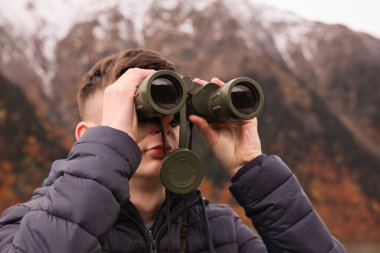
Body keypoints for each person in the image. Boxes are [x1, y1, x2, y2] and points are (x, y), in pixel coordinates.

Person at [0, 48, 346, 253]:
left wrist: (254, 169)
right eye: (140, 114)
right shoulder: (24, 223)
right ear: (88, 136)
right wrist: (110, 149)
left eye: (172, 115)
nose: (162, 127)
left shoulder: (221, 231)